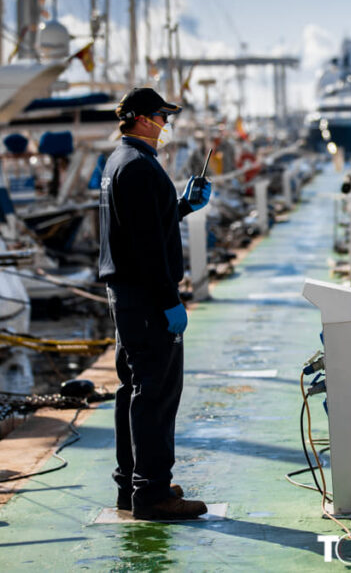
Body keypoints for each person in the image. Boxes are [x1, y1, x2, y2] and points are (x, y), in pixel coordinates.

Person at [98, 87, 212, 520]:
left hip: (127, 295)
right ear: (143, 119)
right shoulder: (140, 166)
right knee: (156, 393)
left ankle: (132, 485)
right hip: (146, 297)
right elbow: (147, 246)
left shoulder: (119, 161)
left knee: (132, 389)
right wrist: (169, 300)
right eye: (163, 117)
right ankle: (153, 493)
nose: (166, 124)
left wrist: (182, 206)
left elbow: (141, 225)